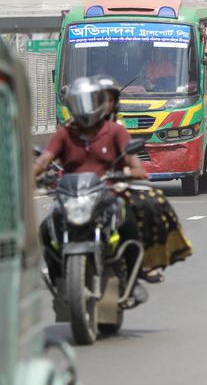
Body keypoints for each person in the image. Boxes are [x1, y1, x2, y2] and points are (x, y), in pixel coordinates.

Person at [34, 77, 192, 285]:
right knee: (46, 228)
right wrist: (31, 175)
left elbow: (136, 166)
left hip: (107, 193)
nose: (86, 109)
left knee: (130, 224)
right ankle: (57, 277)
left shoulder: (116, 130)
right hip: (71, 195)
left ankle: (134, 277)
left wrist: (127, 173)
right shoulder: (65, 133)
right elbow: (44, 160)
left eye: (91, 102)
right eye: (80, 103)